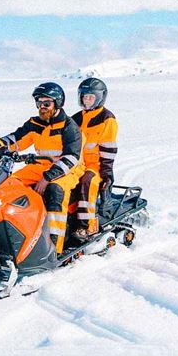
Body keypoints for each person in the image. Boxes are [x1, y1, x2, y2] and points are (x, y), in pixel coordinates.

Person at [0, 82, 84, 253]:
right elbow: (16, 139)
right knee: (8, 185)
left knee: (55, 190)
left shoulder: (69, 127)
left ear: (57, 104)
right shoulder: (35, 123)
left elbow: (71, 158)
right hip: (40, 166)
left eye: (46, 103)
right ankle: (11, 234)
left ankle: (54, 248)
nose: (42, 107)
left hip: (67, 169)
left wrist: (47, 178)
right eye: (39, 103)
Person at [71, 78, 118, 240]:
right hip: (76, 163)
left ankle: (86, 226)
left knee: (87, 182)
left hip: (95, 166)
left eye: (90, 97)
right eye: (84, 97)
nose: (87, 101)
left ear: (99, 98)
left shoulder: (107, 119)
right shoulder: (75, 118)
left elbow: (109, 149)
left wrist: (107, 173)